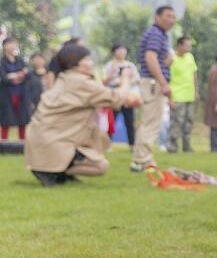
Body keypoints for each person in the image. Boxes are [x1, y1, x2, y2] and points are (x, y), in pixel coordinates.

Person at [25, 44, 140, 186]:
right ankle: (52, 172)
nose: (91, 63)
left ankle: (53, 171)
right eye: (87, 59)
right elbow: (117, 98)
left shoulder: (65, 77)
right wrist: (126, 78)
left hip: (43, 136)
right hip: (54, 140)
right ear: (75, 63)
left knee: (95, 146)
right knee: (100, 166)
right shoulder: (81, 82)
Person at [132, 6, 175, 172]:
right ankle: (143, 160)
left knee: (149, 121)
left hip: (151, 82)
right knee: (151, 122)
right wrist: (163, 83)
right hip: (152, 83)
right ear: (157, 17)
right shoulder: (156, 33)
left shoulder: (158, 34)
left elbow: (155, 59)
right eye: (168, 16)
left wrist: (166, 63)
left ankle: (140, 159)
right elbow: (150, 57)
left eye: (173, 17)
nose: (171, 20)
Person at [102, 44, 139, 147]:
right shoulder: (109, 65)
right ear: (114, 52)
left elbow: (137, 78)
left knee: (129, 121)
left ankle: (132, 144)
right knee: (111, 120)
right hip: (114, 96)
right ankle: (107, 143)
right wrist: (115, 80)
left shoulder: (130, 65)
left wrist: (125, 81)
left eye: (124, 50)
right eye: (119, 50)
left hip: (128, 97)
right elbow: (104, 80)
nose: (122, 52)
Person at [167, 35, 197, 153]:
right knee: (177, 122)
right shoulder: (172, 59)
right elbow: (167, 78)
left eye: (190, 46)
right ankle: (172, 146)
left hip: (189, 95)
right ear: (179, 45)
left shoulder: (190, 57)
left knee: (189, 121)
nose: (189, 48)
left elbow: (194, 74)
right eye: (187, 45)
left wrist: (196, 91)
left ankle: (186, 146)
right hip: (177, 96)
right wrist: (170, 98)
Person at [1, 37, 30, 141]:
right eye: (10, 43)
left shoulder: (20, 60)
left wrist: (13, 76)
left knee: (22, 119)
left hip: (21, 93)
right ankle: (4, 142)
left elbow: (26, 75)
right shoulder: (2, 61)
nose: (13, 46)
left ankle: (22, 142)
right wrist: (18, 75)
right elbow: (4, 78)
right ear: (5, 46)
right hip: (7, 95)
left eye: (14, 43)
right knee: (6, 119)